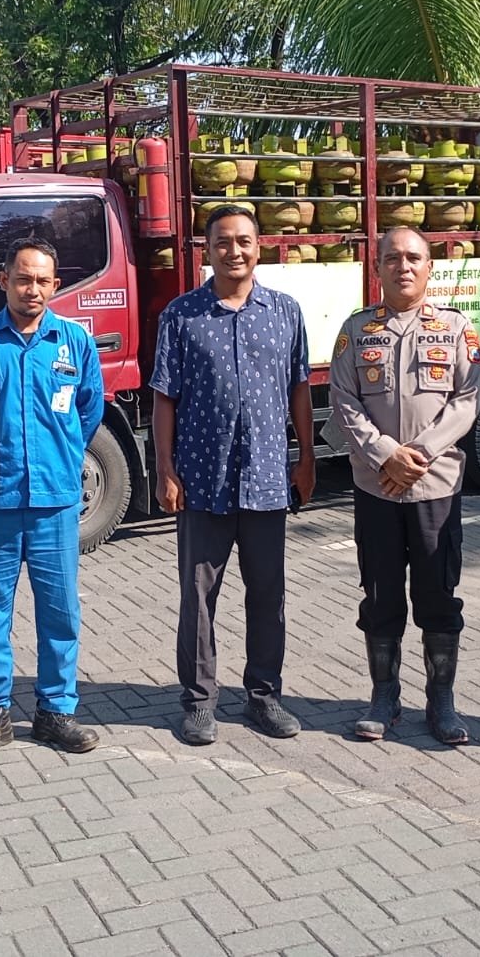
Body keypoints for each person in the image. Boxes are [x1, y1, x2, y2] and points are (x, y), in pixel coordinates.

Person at [151, 205, 315, 746]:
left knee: (267, 594)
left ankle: (264, 696)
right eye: (223, 242)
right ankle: (199, 703)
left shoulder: (285, 312)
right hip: (203, 481)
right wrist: (165, 467)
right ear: (208, 250)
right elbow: (165, 398)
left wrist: (307, 457)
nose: (234, 251)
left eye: (244, 240)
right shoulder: (181, 315)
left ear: (259, 246)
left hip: (266, 478)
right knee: (198, 598)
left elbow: (298, 388)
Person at [0, 238, 105, 764]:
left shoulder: (74, 341)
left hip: (55, 501)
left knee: (60, 611)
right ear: (4, 280)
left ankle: (56, 711)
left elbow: (89, 409)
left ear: (55, 285)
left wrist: (60, 457)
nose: (32, 289)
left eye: (42, 280)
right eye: (23, 278)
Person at [329, 227, 480, 744]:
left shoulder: (456, 328)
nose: (403, 266)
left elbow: (466, 399)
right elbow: (343, 399)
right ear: (376, 267)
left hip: (435, 486)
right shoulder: (357, 331)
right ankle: (384, 696)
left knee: (438, 595)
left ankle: (441, 701)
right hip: (377, 487)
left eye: (414, 258)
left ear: (429, 267)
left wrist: (417, 454)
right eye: (392, 258)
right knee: (380, 595)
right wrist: (385, 455)